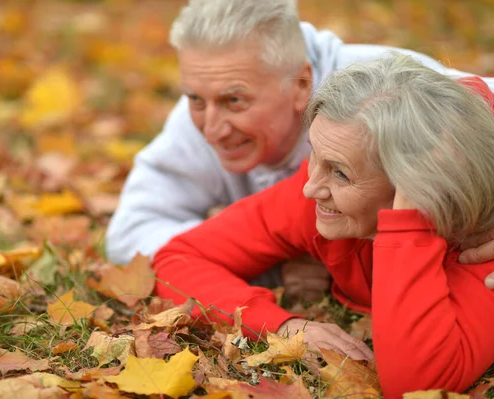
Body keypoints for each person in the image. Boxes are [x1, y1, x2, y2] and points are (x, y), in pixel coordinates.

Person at [152, 54, 494, 397]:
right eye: (314, 152)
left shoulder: (481, 241)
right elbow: (179, 259)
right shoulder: (325, 188)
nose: (309, 188)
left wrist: (407, 226)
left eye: (341, 172)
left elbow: (418, 386)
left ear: (417, 184)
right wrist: (285, 326)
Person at [106, 0, 494, 297]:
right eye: (194, 99)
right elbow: (130, 235)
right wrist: (268, 257)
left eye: (235, 101)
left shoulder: (388, 86)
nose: (211, 129)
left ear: (301, 85)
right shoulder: (208, 98)